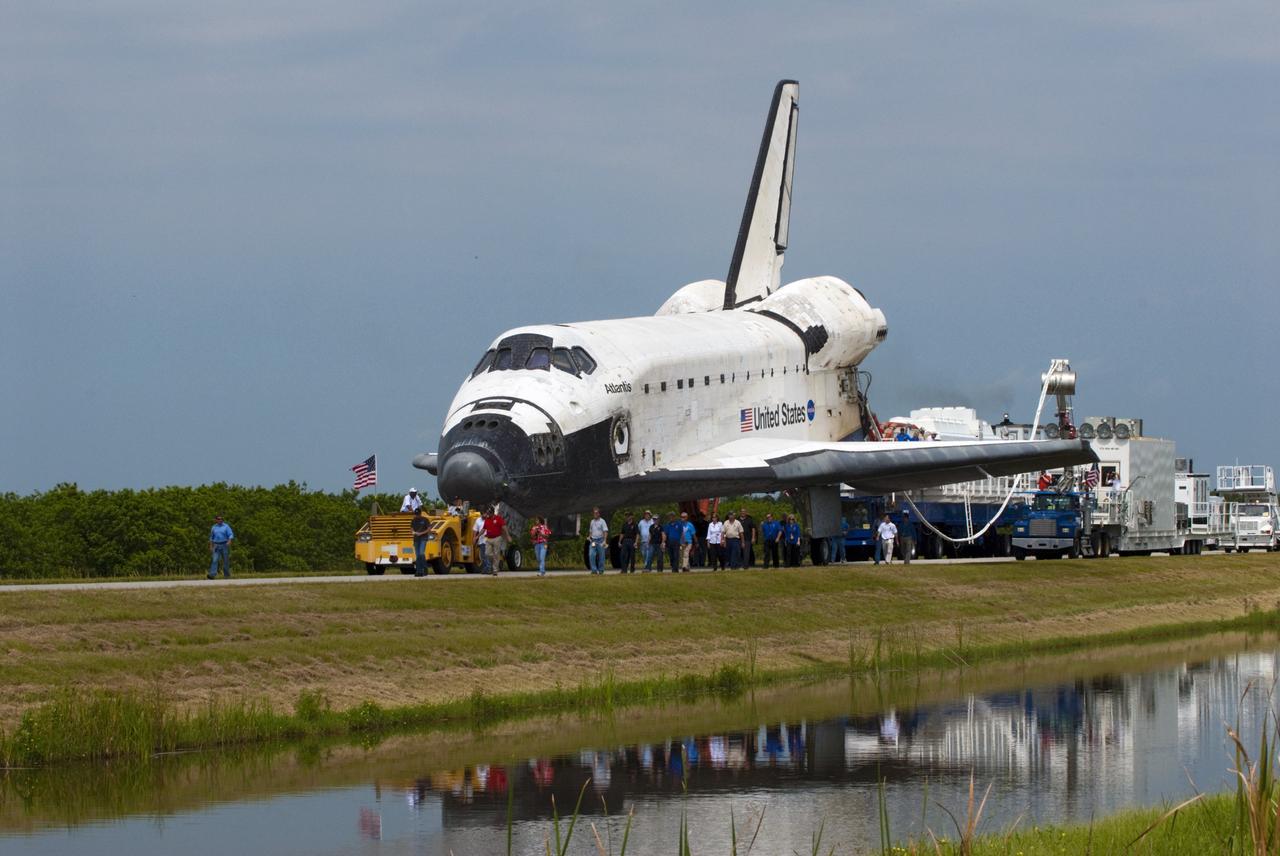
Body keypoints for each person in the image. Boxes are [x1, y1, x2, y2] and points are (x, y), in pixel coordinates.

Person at [207, 514, 234, 579]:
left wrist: (229, 541)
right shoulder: (213, 527)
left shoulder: (226, 526)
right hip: (216, 545)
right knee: (214, 560)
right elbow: (211, 537)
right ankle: (212, 575)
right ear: (216, 520)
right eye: (219, 519)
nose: (220, 520)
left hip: (224, 544)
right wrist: (211, 546)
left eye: (221, 519)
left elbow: (230, 534)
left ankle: (226, 575)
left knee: (225, 560)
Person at [482, 507, 507, 575]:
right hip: (489, 538)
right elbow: (483, 529)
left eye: (489, 513)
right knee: (487, 554)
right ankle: (494, 561)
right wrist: (477, 536)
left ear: (492, 513)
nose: (488, 514)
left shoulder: (498, 518)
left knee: (496, 554)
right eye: (487, 513)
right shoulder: (487, 520)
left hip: (497, 538)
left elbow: (504, 527)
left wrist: (507, 535)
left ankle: (495, 570)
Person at [588, 507, 609, 575]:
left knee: (601, 556)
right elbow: (591, 531)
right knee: (591, 554)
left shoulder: (602, 521)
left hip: (600, 540)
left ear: (599, 514)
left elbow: (605, 531)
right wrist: (589, 536)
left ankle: (601, 570)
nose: (595, 514)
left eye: (596, 513)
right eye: (594, 513)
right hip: (593, 541)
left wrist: (605, 541)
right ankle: (594, 570)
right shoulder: (592, 521)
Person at [411, 507, 431, 577]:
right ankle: (419, 571)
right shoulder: (413, 520)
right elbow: (412, 528)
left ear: (420, 513)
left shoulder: (425, 520)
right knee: (417, 555)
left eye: (418, 514)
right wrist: (413, 532)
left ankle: (424, 568)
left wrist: (421, 533)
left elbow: (428, 529)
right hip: (416, 539)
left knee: (421, 553)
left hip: (423, 538)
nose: (417, 516)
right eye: (416, 514)